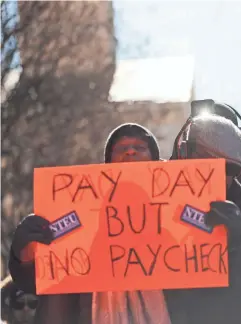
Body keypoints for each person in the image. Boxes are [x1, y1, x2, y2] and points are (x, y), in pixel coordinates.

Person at [8, 123, 187, 324]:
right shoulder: (78, 226)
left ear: (156, 163)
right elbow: (39, 282)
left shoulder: (177, 227)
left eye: (139, 147)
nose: (130, 151)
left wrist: (229, 240)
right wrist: (24, 254)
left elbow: (202, 288)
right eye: (121, 148)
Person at [170, 114, 241, 324]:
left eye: (229, 169)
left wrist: (236, 247)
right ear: (184, 154)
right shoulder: (157, 196)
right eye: (208, 163)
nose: (217, 174)